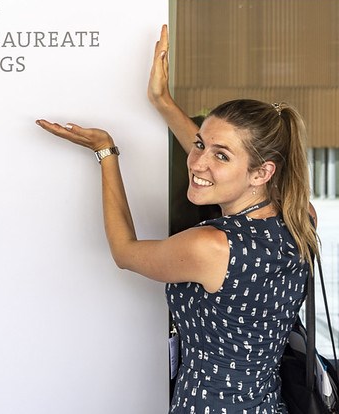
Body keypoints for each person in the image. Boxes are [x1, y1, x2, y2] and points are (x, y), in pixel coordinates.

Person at [36, 25, 320, 413]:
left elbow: (124, 251)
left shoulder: (211, 247)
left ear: (262, 173)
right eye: (200, 144)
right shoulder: (299, 216)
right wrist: (163, 102)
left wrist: (106, 151)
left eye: (220, 155)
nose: (198, 162)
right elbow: (227, 167)